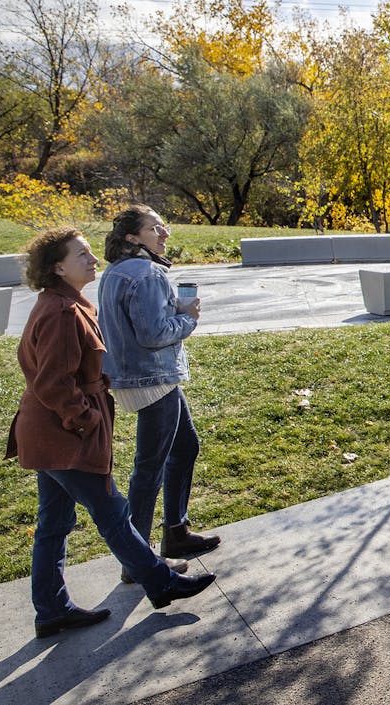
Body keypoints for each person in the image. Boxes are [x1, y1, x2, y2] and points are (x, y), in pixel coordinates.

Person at [7, 227, 216, 639]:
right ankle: (161, 582)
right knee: (112, 512)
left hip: (45, 433)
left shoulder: (63, 302)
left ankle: (51, 609)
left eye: (89, 252)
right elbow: (54, 383)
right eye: (81, 254)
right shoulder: (62, 312)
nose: (92, 259)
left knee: (55, 522)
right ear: (57, 267)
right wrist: (85, 420)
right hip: (62, 436)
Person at [99, 206, 220, 571]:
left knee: (185, 447)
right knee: (149, 467)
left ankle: (176, 532)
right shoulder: (148, 273)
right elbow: (154, 334)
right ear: (133, 238)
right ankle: (139, 562)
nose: (164, 233)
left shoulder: (115, 271)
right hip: (152, 379)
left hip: (135, 376)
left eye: (163, 226)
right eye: (155, 228)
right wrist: (188, 318)